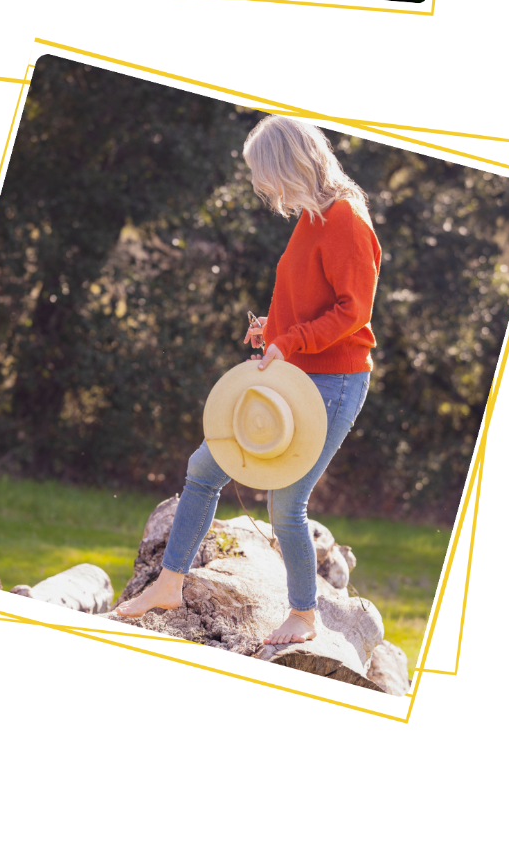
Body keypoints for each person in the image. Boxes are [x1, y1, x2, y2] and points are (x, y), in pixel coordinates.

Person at [113, 116, 382, 647]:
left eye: (263, 171)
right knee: (204, 467)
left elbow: (354, 312)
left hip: (335, 383)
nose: (261, 185)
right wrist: (274, 329)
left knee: (286, 504)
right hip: (296, 372)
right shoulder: (312, 217)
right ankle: (169, 584)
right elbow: (307, 297)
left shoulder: (347, 220)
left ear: (289, 163)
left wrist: (292, 339)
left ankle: (304, 616)